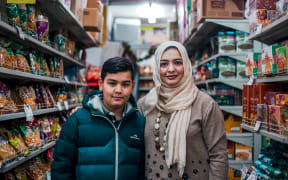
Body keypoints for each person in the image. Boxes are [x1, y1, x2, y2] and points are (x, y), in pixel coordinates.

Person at [137, 41, 228, 180]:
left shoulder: (205, 105)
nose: (171, 69)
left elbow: (218, 156)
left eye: (178, 62)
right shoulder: (145, 105)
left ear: (186, 65)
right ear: (157, 67)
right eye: (164, 64)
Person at [51, 57, 146, 180]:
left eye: (125, 84)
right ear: (101, 84)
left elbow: (142, 170)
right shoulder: (77, 121)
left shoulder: (139, 123)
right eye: (112, 83)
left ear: (132, 86)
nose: (118, 90)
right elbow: (61, 169)